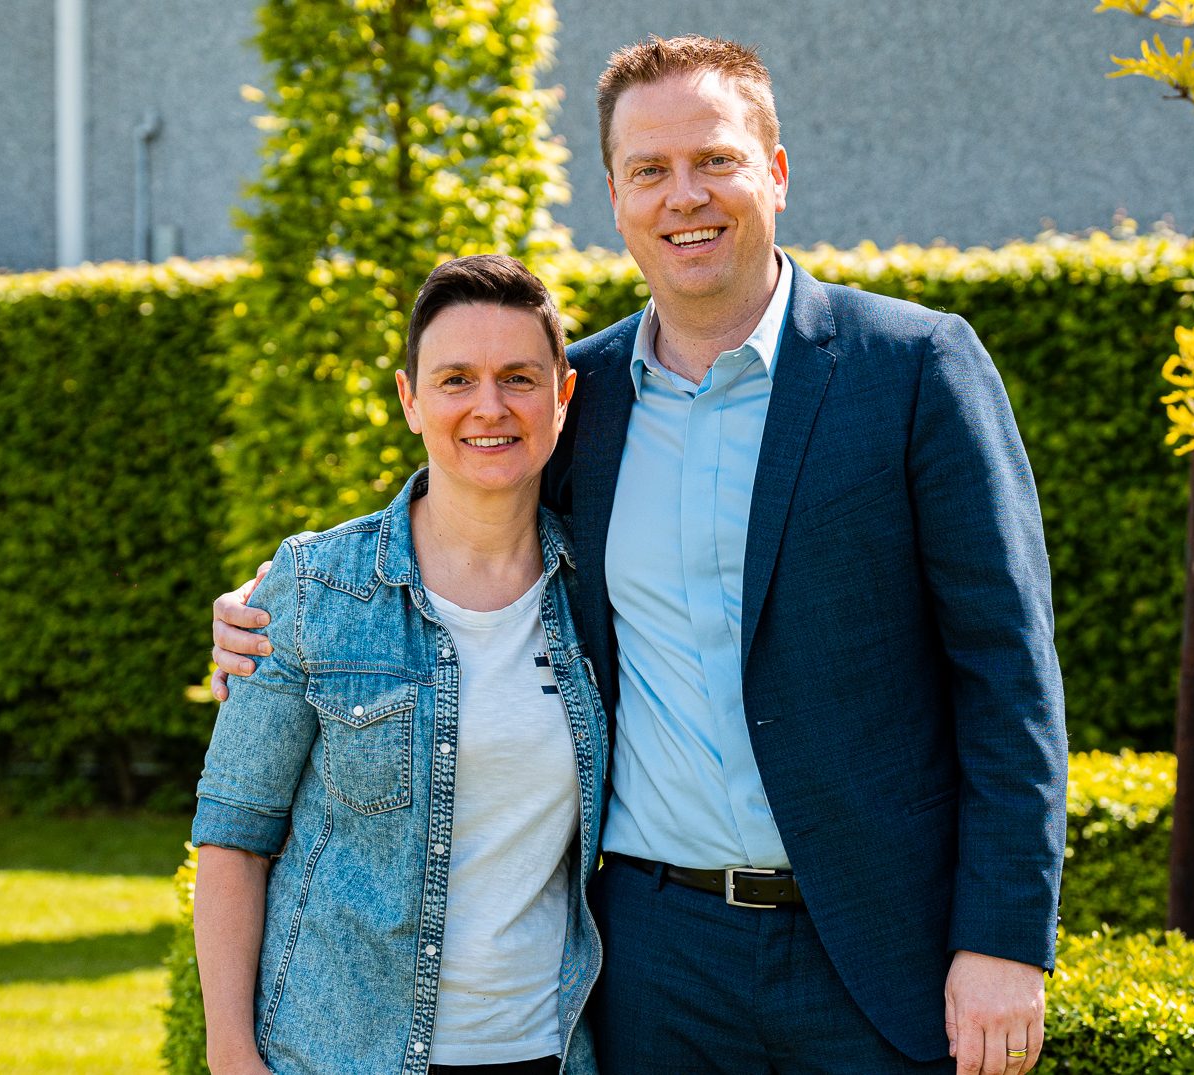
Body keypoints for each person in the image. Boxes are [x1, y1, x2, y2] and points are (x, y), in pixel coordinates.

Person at [214, 35, 1066, 1075]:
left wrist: (1002, 938)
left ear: (776, 172)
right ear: (615, 199)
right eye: (649, 170)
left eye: (714, 160)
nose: (683, 196)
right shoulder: (577, 396)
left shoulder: (912, 368)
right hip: (655, 958)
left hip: (879, 951)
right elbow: (448, 516)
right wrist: (273, 606)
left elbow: (1006, 672)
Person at [192, 255, 608, 1075]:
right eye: (455, 379)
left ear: (561, 396)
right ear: (409, 399)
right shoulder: (314, 588)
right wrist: (232, 1055)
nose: (489, 406)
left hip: (545, 1050)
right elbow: (233, 835)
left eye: (518, 378)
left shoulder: (599, 595)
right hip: (336, 1053)